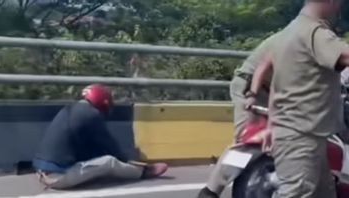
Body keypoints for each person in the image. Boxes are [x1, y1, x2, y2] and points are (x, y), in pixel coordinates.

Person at [263, 0, 349, 197]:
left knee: (324, 193)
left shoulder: (286, 34)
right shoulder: (314, 32)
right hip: (302, 136)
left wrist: (271, 126)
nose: (339, 9)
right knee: (296, 193)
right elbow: (345, 56)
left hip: (301, 134)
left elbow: (278, 86)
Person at [33, 84, 168, 189]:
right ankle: (144, 172)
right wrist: (130, 161)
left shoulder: (71, 109)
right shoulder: (91, 115)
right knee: (109, 162)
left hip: (42, 171)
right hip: (58, 178)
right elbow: (111, 148)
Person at [197, 32, 280, 198]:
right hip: (250, 88)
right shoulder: (299, 41)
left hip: (266, 89)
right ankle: (210, 192)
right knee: (248, 142)